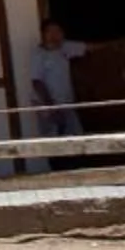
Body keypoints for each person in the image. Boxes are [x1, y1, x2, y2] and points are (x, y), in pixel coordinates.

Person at [28, 19, 87, 158]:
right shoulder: (38, 54)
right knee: (54, 144)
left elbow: (87, 47)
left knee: (75, 141)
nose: (54, 35)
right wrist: (52, 108)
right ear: (43, 34)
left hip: (66, 103)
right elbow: (37, 82)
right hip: (47, 106)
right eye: (50, 31)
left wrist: (117, 44)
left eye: (58, 31)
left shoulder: (65, 48)